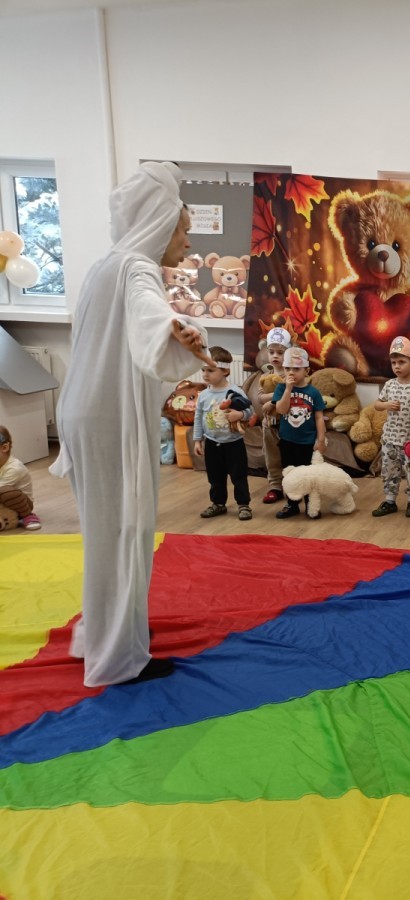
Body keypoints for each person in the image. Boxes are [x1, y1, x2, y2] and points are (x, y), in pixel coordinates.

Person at [50, 160, 212, 686]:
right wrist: (175, 326)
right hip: (108, 422)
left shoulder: (105, 266)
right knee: (126, 534)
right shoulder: (136, 269)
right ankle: (117, 660)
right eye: (183, 229)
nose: (187, 241)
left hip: (85, 415)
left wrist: (172, 327)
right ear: (159, 222)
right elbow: (148, 314)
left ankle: (99, 636)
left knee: (106, 535)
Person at [191, 346, 253, 521]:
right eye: (203, 370)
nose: (205, 374)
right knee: (215, 477)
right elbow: (198, 417)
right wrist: (197, 440)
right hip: (212, 442)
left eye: (210, 370)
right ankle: (218, 503)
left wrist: (239, 415)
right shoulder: (203, 395)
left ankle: (243, 504)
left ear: (225, 370)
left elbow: (250, 411)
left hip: (234, 443)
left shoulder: (235, 392)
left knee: (238, 476)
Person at [372, 335, 410, 518]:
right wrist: (386, 405)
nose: (397, 366)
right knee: (389, 470)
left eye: (401, 362)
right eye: (394, 363)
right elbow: (377, 404)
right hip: (390, 438)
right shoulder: (389, 385)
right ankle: (390, 501)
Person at [272, 346, 327, 519]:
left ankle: (311, 505)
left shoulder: (313, 392)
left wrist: (321, 439)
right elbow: (281, 410)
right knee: (290, 474)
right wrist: (288, 389)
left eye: (296, 369)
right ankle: (292, 504)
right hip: (288, 441)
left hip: (308, 442)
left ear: (306, 370)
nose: (291, 372)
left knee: (309, 475)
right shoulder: (281, 388)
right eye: (287, 368)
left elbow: (319, 417)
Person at [257, 326, 291, 505]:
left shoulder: (292, 375)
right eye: (271, 352)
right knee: (272, 456)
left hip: (290, 423)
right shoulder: (265, 376)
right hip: (270, 424)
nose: (275, 356)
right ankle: (275, 486)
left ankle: (293, 486)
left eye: (280, 352)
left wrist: (273, 401)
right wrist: (275, 397)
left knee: (291, 456)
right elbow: (260, 398)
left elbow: (292, 393)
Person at [0, 424, 40, 531]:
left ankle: (28, 516)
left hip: (20, 504)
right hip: (3, 506)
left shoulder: (14, 468)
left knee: (6, 491)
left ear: (4, 447)